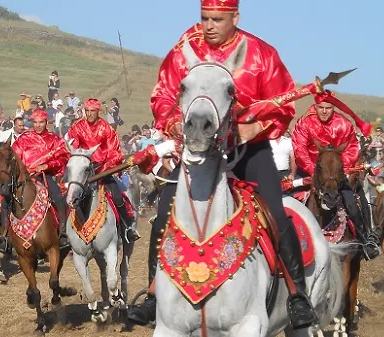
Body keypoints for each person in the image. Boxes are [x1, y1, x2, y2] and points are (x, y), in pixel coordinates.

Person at [127, 0, 316, 329]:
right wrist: (174, 122)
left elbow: (283, 105)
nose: (209, 25)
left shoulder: (261, 54)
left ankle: (297, 295)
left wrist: (255, 128)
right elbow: (163, 95)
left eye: (217, 19)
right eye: (204, 18)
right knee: (163, 216)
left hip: (248, 152)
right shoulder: (185, 46)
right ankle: (155, 294)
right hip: (198, 152)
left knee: (276, 211)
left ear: (235, 17)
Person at [292, 90, 380, 260]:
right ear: (315, 106)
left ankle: (366, 239)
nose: (324, 111)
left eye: (328, 107)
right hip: (310, 171)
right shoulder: (304, 123)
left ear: (334, 107)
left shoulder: (344, 124)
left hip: (337, 175)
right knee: (287, 200)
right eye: (321, 107)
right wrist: (315, 171)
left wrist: (337, 171)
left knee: (354, 203)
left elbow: (353, 147)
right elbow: (299, 149)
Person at [67, 98, 140, 243]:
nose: (89, 114)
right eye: (86, 111)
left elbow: (115, 153)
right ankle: (63, 232)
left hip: (103, 169)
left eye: (92, 111)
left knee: (118, 195)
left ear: (98, 111)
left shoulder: (107, 128)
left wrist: (104, 167)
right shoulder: (77, 127)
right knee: (68, 194)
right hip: (83, 170)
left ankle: (127, 227)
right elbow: (73, 146)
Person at [11, 109, 70, 248]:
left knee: (59, 199)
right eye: (35, 122)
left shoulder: (54, 139)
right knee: (6, 198)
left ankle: (62, 233)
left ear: (46, 123)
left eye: (41, 122)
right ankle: (4, 236)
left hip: (44, 176)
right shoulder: (23, 139)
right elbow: (14, 157)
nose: (38, 125)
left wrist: (47, 165)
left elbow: (63, 158)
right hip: (23, 177)